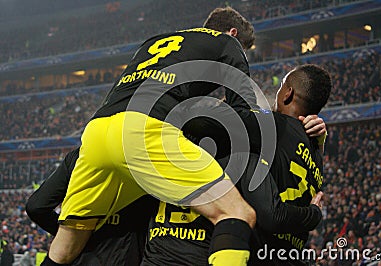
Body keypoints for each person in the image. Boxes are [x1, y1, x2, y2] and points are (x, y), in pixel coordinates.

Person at [42, 7, 260, 266]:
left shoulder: (155, 41)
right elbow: (242, 113)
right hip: (144, 131)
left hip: (97, 132)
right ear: (234, 33)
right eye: (246, 49)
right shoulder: (228, 42)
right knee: (236, 213)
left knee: (65, 247)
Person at [141, 64, 332, 265]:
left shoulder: (270, 128)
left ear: (288, 93)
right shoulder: (316, 152)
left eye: (281, 85)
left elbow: (201, 122)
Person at [26, 148, 158, 265]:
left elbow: (36, 207)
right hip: (128, 256)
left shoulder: (81, 155)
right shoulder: (150, 158)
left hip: (80, 257)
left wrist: (74, 236)